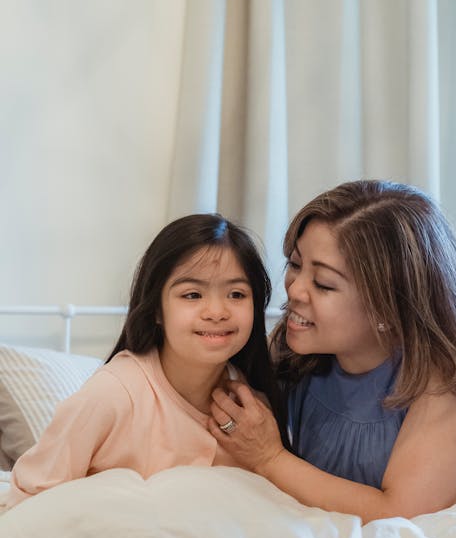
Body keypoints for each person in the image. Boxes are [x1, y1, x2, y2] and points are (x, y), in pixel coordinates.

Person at [209, 180, 456, 523]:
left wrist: (269, 457)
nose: (295, 290)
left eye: (324, 284)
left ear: (388, 306)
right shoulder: (298, 347)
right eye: (295, 264)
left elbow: (401, 513)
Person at [6, 214, 287, 508]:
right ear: (156, 310)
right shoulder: (112, 394)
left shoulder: (251, 405)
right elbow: (30, 499)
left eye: (236, 294)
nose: (217, 311)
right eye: (192, 295)